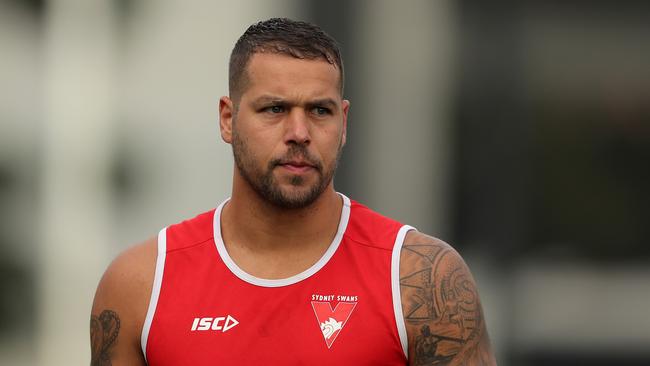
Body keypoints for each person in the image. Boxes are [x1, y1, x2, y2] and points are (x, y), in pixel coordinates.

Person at [90, 17, 496, 365]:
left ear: (344, 122)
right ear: (228, 119)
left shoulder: (421, 279)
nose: (299, 134)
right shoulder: (141, 285)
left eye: (320, 111)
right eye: (275, 109)